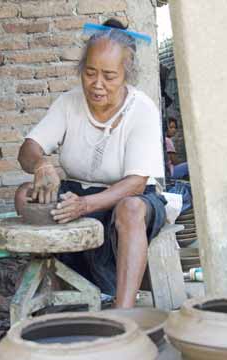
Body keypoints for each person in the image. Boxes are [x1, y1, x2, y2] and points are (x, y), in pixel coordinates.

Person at [15, 18, 167, 309]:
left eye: (109, 76)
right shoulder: (69, 103)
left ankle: (124, 312)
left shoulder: (142, 110)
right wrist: (41, 165)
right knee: (26, 194)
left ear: (126, 74)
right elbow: (27, 149)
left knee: (131, 208)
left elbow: (135, 183)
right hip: (77, 192)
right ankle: (56, 291)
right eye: (90, 73)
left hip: (128, 197)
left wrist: (86, 206)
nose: (97, 84)